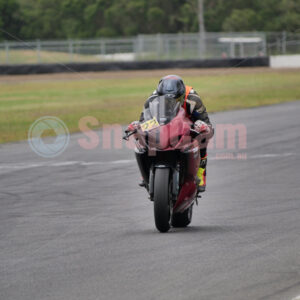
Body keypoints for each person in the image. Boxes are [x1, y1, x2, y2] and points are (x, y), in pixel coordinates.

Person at [127, 75, 213, 193]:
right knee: (142, 137)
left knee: (203, 139)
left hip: (187, 124)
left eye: (176, 100)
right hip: (163, 123)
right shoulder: (153, 99)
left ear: (182, 96)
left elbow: (208, 125)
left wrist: (202, 127)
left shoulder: (193, 99)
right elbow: (145, 122)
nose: (171, 102)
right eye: (166, 100)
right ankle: (145, 172)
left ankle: (200, 173)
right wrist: (137, 126)